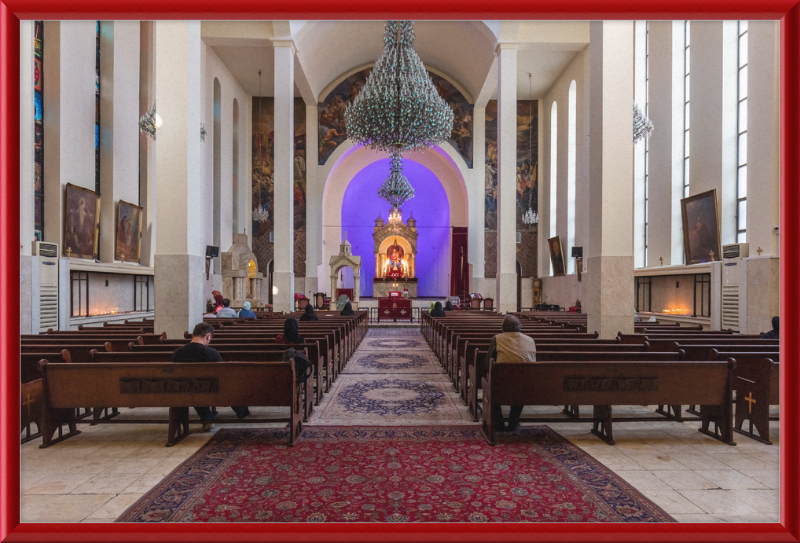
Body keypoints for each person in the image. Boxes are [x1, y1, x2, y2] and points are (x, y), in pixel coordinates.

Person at [171, 322, 250, 430]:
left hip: (183, 389)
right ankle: (243, 413)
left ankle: (207, 418)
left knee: (194, 386)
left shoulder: (177, 353)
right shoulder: (211, 353)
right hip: (210, 389)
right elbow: (222, 376)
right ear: (208, 336)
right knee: (227, 384)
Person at [483, 315, 537, 433]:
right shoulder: (530, 340)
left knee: (492, 383)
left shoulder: (497, 338)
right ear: (520, 327)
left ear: (502, 328)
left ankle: (499, 421)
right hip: (526, 384)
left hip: (502, 384)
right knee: (521, 380)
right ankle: (513, 421)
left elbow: (488, 364)